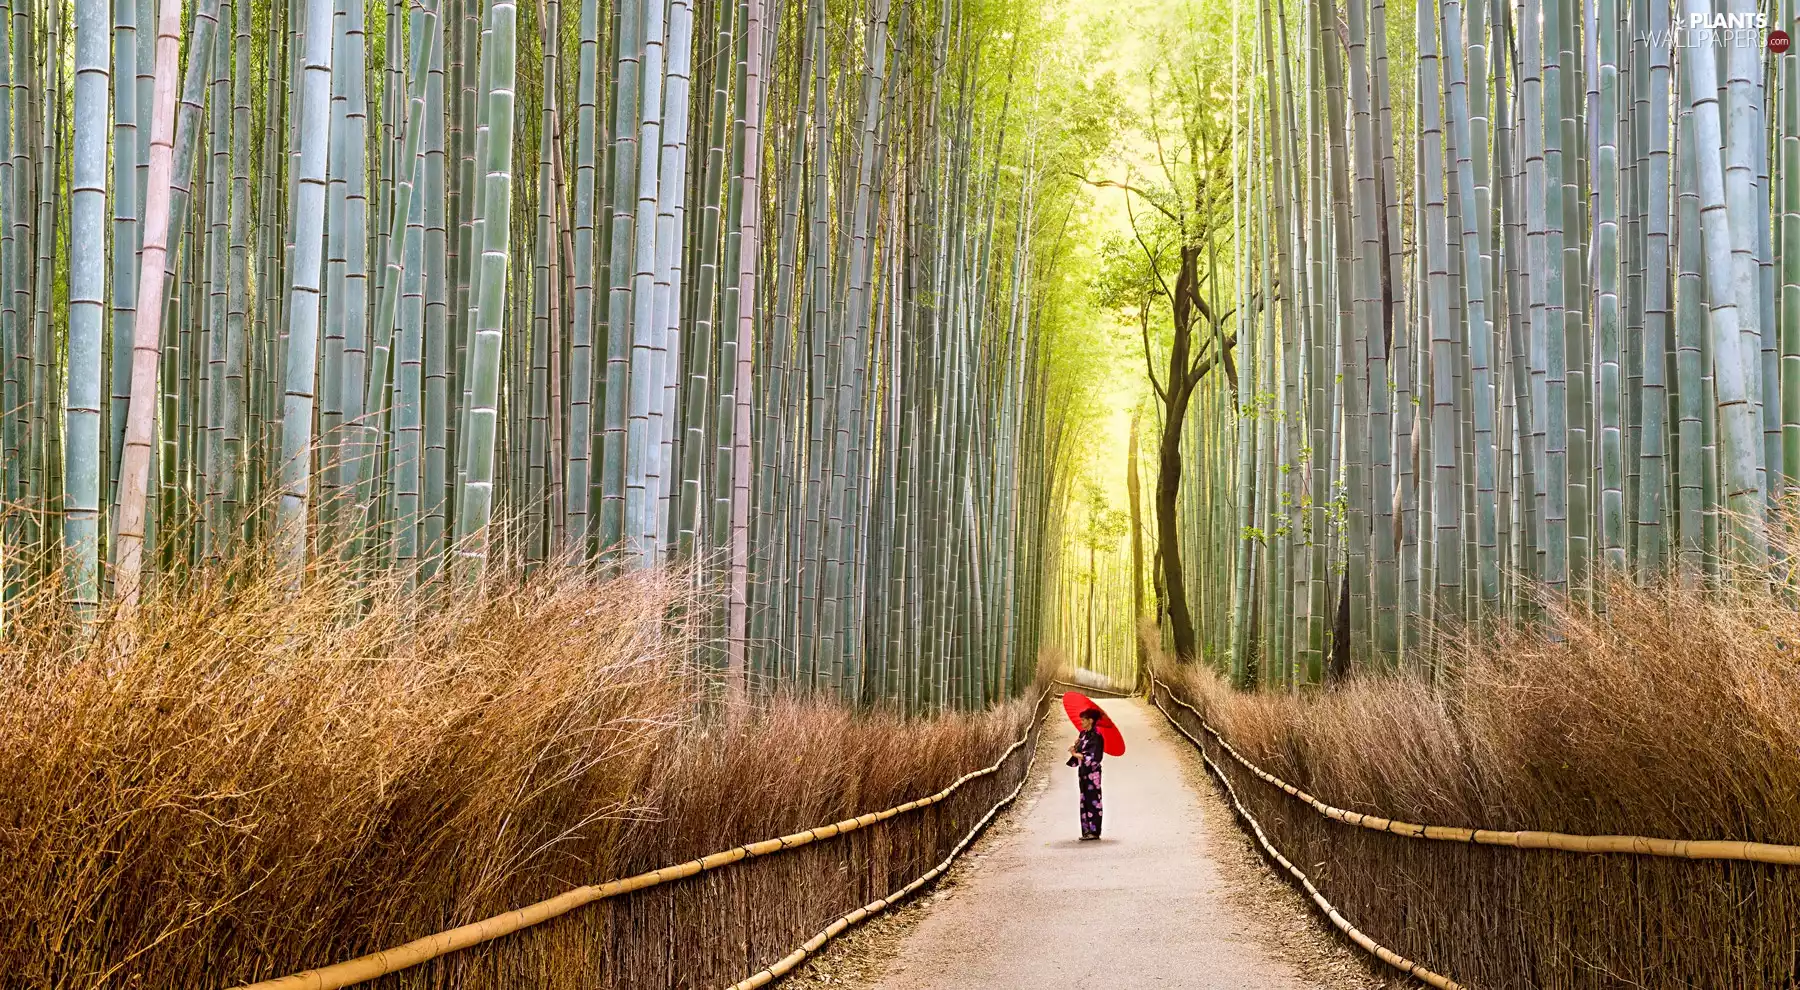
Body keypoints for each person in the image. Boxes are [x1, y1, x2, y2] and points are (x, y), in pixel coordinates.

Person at [1067, 708, 1106, 840]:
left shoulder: (1097, 737)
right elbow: (1080, 751)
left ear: (1091, 721)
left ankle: (1094, 831)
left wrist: (1075, 754)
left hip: (1093, 774)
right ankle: (1086, 830)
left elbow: (1093, 756)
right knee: (1084, 800)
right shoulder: (1083, 734)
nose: (1081, 722)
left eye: (1084, 720)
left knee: (1093, 800)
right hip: (1083, 772)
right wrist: (1075, 746)